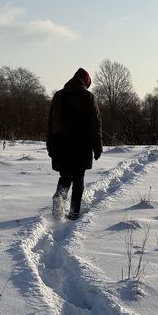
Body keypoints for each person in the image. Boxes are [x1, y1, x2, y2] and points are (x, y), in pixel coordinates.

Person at [47, 68, 103, 220]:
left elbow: (50, 123)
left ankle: (59, 203)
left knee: (65, 176)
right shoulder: (88, 97)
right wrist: (97, 147)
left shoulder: (58, 96)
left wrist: (50, 146)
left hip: (60, 144)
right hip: (81, 144)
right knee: (78, 179)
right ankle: (73, 213)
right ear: (86, 82)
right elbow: (95, 124)